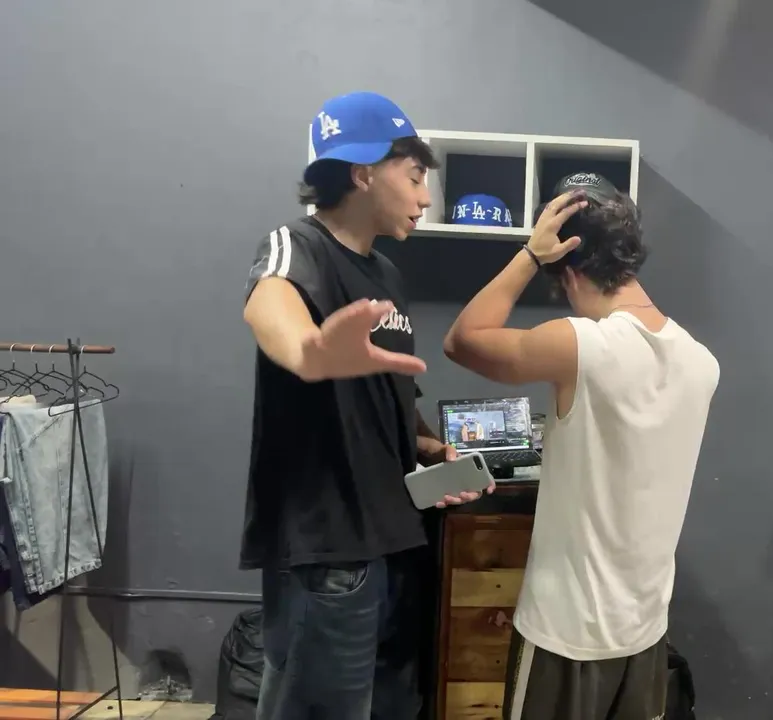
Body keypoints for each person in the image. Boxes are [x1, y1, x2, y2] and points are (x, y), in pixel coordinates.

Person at [240, 91, 491, 720]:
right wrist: (308, 352)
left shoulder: (387, 274)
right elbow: (269, 301)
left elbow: (389, 394)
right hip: (330, 552)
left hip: (393, 537)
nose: (425, 197)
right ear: (362, 173)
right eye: (415, 177)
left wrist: (427, 447)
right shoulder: (297, 244)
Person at [443, 172, 721, 720]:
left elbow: (462, 341)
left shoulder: (581, 345)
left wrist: (530, 255)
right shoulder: (701, 362)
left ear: (568, 272)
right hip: (644, 633)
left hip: (564, 633)